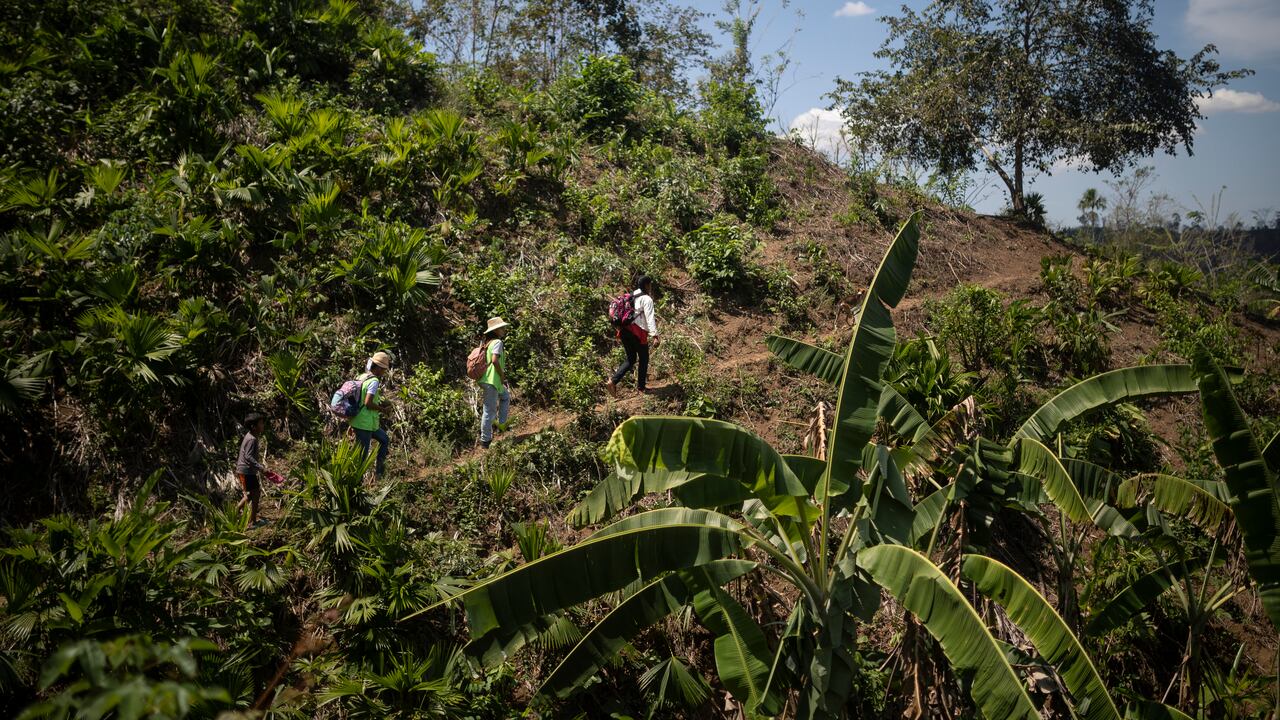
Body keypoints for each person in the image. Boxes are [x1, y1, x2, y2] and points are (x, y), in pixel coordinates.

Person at [606, 275, 659, 397]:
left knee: (631, 359)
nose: (650, 287)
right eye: (649, 285)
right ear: (646, 285)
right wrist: (655, 336)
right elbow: (650, 318)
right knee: (644, 358)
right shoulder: (647, 299)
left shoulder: (631, 296)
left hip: (624, 330)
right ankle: (641, 388)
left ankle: (612, 381)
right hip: (637, 332)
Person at [351, 351, 393, 479]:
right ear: (379, 368)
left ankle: (379, 474)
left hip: (362, 421)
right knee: (362, 455)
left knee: (384, 439)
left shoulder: (362, 376)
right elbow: (368, 402)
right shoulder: (374, 381)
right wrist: (383, 409)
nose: (384, 372)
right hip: (365, 423)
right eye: (384, 369)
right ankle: (356, 482)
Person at [478, 317, 511, 450]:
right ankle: (485, 440)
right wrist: (502, 374)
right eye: (502, 328)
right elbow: (494, 360)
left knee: (505, 397)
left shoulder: (487, 342)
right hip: (492, 380)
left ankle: (502, 425)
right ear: (496, 330)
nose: (504, 330)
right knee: (489, 411)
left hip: (489, 380)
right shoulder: (497, 342)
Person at [236, 411, 270, 527]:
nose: (262, 426)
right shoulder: (252, 439)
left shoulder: (251, 437)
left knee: (251, 495)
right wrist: (260, 467)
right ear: (254, 427)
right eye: (260, 424)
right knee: (254, 494)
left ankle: (236, 515)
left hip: (246, 471)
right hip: (246, 471)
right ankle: (252, 522)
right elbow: (248, 456)